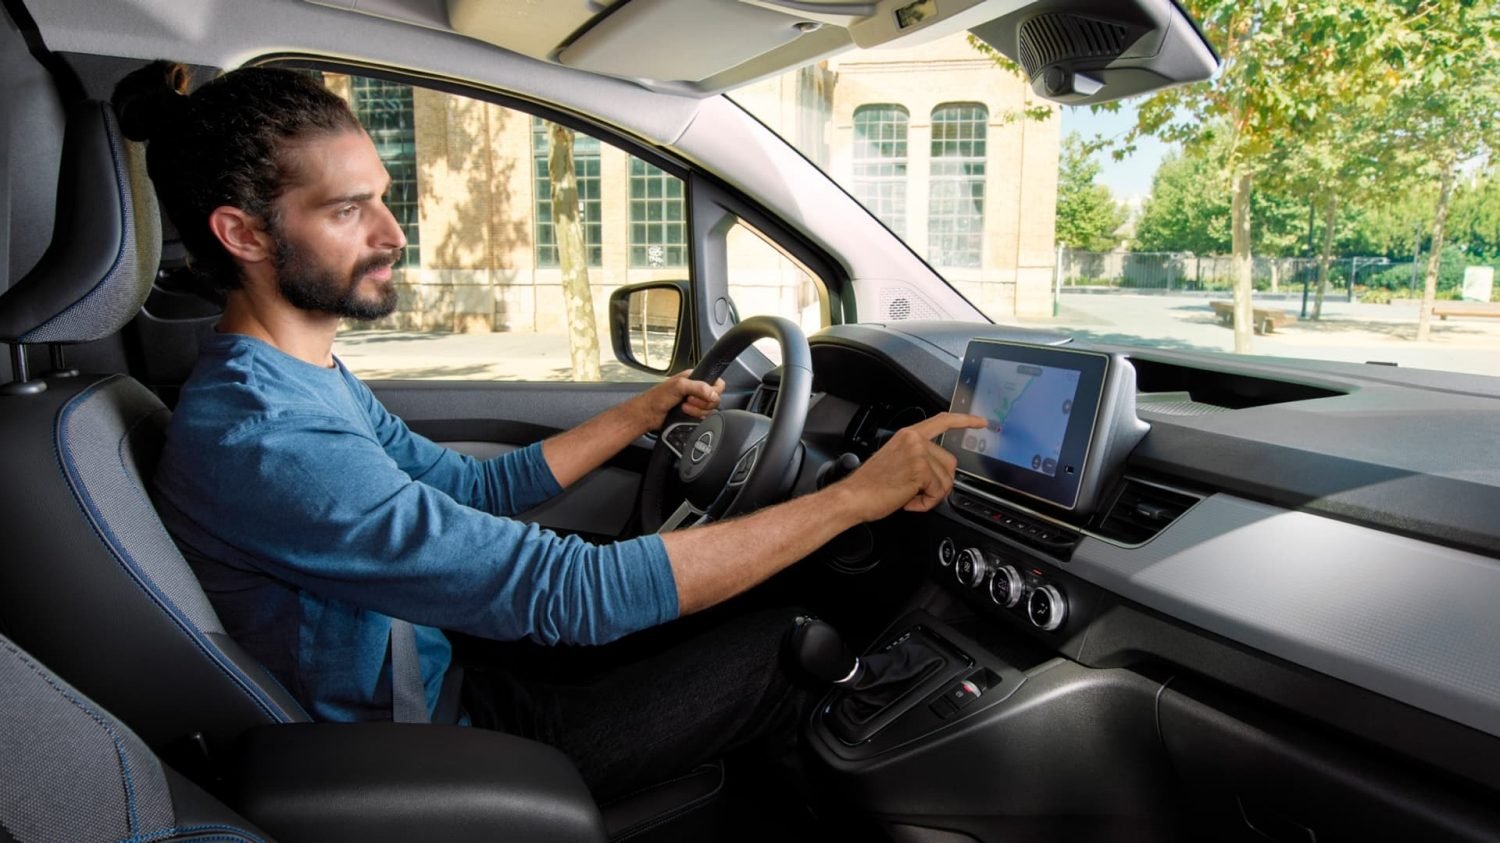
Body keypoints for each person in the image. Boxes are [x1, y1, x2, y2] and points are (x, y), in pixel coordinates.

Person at [115, 61, 983, 800]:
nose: (393, 233)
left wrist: (638, 414)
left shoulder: (302, 378)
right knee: (787, 643)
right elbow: (574, 594)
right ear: (242, 234)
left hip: (446, 678)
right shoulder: (265, 434)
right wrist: (851, 500)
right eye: (348, 212)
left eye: (384, 198)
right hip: (424, 749)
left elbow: (466, 489)